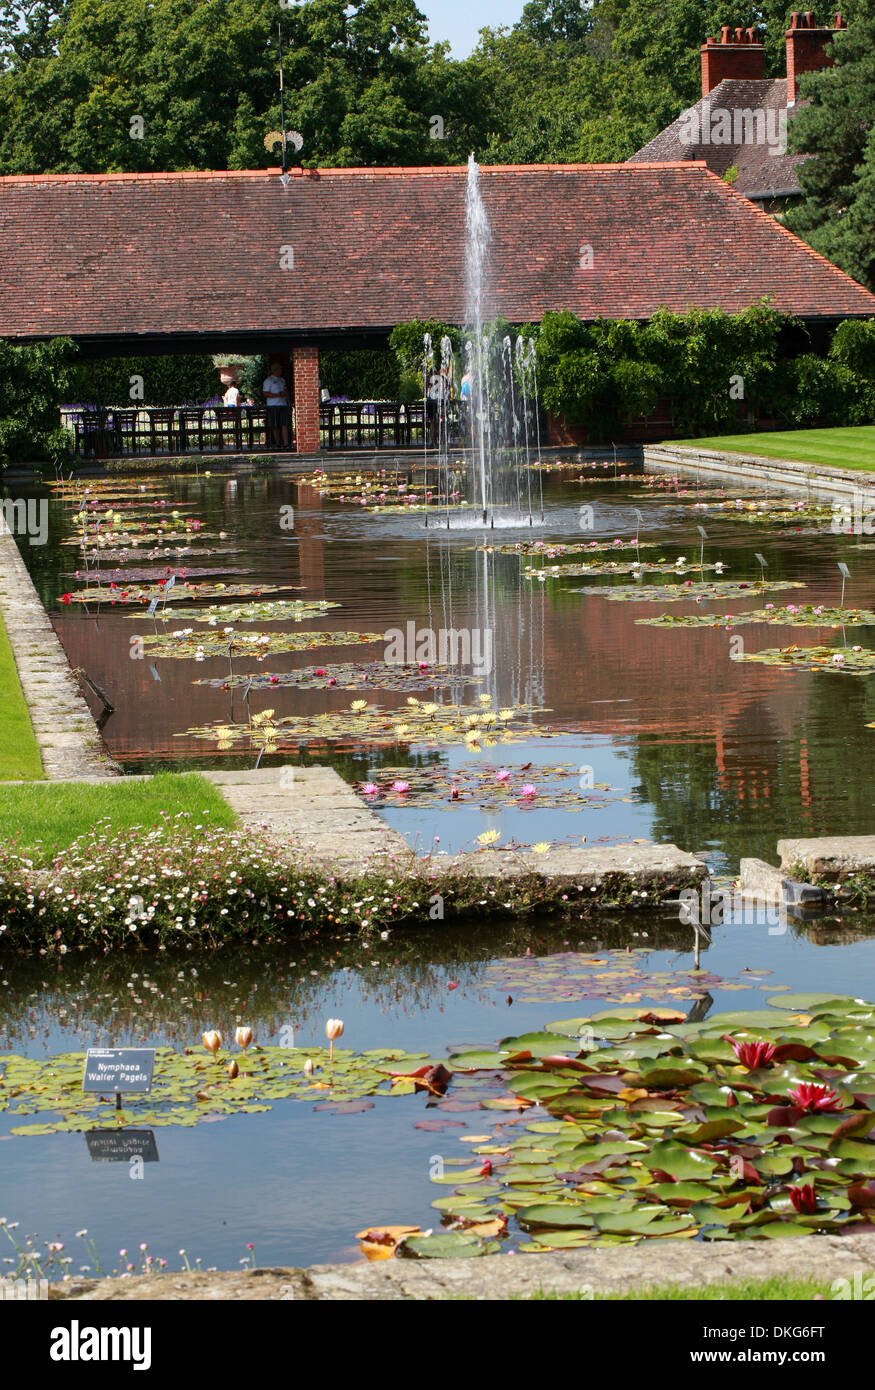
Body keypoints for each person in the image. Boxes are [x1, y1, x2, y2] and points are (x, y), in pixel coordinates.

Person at [263, 361, 289, 448]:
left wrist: (285, 395)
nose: (281, 371)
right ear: (275, 370)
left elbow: (286, 390)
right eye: (279, 369)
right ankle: (277, 442)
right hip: (273, 405)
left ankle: (285, 443)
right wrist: (276, 395)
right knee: (275, 425)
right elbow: (265, 393)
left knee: (284, 424)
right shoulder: (268, 381)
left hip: (283, 405)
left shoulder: (282, 380)